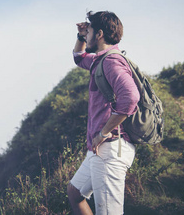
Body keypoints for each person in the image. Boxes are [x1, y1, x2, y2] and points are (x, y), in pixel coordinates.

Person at [67, 11, 140, 215]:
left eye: (89, 31)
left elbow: (130, 98)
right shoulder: (99, 60)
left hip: (110, 148)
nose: (86, 35)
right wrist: (81, 37)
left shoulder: (111, 62)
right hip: (99, 150)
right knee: (74, 193)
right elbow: (79, 57)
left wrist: (103, 133)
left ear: (99, 34)